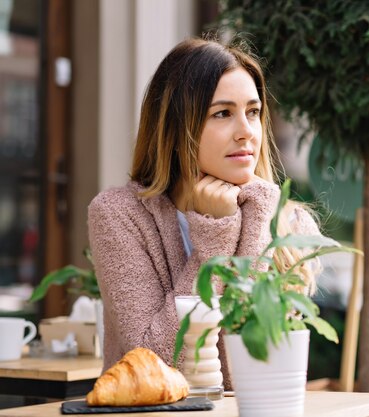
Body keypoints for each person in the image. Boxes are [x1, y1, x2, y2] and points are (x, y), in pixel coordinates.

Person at [87, 37, 321, 390]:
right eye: (222, 113)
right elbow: (153, 365)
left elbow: (266, 366)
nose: (246, 132)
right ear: (176, 127)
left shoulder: (285, 219)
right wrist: (214, 240)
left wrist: (257, 219)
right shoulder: (120, 215)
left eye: (253, 112)